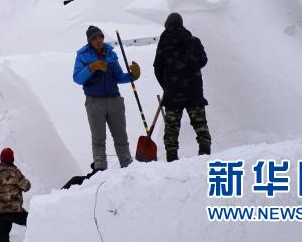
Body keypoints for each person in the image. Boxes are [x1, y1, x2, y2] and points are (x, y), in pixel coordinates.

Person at [72, 25, 141, 170]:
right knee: (99, 140)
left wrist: (132, 76)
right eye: (94, 38)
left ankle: (128, 168)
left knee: (121, 137)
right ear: (89, 41)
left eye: (100, 37)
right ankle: (100, 170)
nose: (98, 40)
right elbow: (78, 78)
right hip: (94, 102)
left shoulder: (110, 54)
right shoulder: (83, 56)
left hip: (115, 100)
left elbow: (118, 77)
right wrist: (92, 67)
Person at [153, 13, 212, 162]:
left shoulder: (164, 42)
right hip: (194, 90)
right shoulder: (193, 41)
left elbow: (157, 68)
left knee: (172, 127)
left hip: (172, 93)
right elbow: (203, 61)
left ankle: (172, 158)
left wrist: (166, 85)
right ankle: (204, 154)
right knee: (200, 124)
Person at [0, 148, 31, 242]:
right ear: (12, 159)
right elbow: (27, 187)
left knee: (3, 237)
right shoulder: (15, 172)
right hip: (13, 210)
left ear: (1, 159)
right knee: (33, 221)